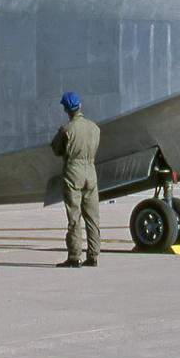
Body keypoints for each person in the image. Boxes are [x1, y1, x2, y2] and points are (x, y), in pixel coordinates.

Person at [51, 91, 100, 268]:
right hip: (91, 170)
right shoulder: (95, 128)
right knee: (92, 216)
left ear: (66, 109)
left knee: (74, 216)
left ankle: (74, 256)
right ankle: (93, 255)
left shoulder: (67, 130)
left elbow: (56, 149)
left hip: (74, 171)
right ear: (80, 105)